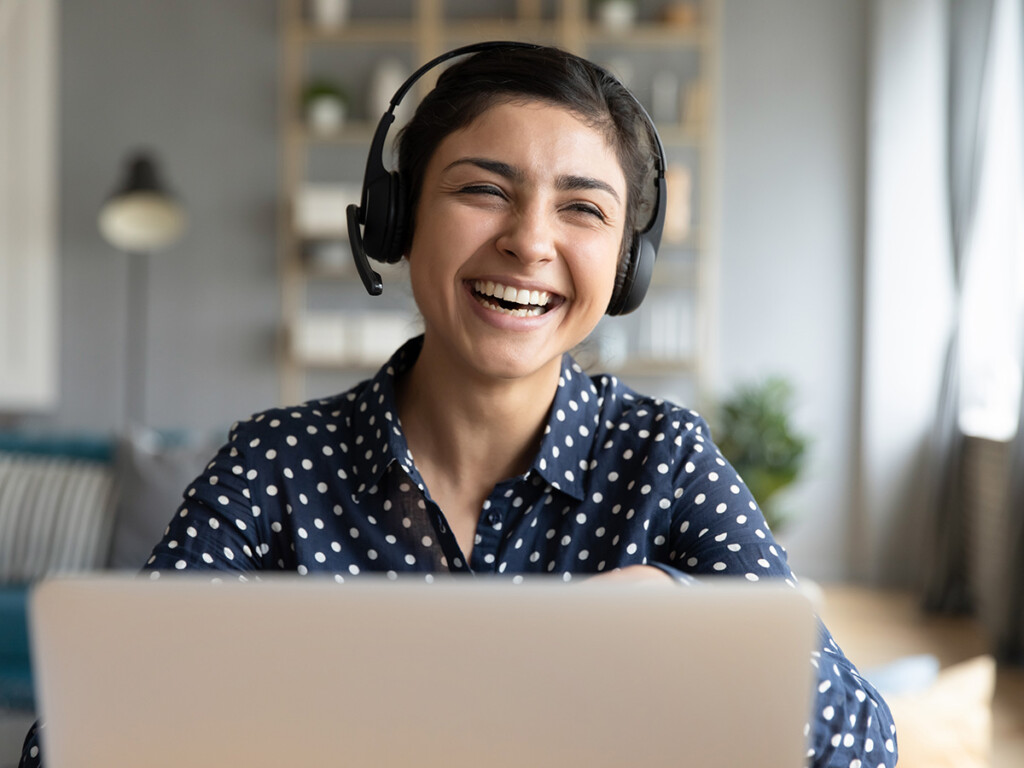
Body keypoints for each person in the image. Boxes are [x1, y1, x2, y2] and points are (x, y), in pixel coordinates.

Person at [21, 44, 896, 768]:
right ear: (399, 219)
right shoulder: (274, 464)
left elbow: (865, 744)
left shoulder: (663, 459)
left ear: (627, 267)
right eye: (484, 190)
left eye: (583, 208)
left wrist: (682, 613)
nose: (528, 240)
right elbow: (68, 743)